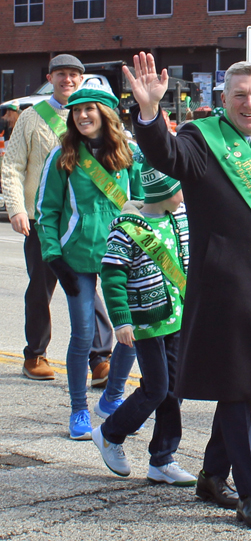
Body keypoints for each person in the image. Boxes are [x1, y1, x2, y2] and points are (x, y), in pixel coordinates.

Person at [126, 52, 251, 531]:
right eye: (239, 96)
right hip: (222, 287)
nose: (249, 104)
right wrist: (150, 115)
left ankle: (212, 475)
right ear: (222, 99)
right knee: (237, 387)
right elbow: (166, 156)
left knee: (241, 386)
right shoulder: (200, 138)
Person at [35, 84, 143, 439]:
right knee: (83, 334)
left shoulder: (129, 154)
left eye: (89, 110)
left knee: (130, 332)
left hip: (120, 256)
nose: (81, 116)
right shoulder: (62, 155)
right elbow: (46, 211)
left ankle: (112, 398)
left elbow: (142, 203)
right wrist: (54, 257)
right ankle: (78, 410)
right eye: (76, 111)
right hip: (76, 258)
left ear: (105, 114)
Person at [1, 54, 113, 384]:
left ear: (82, 79)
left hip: (82, 221)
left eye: (74, 75)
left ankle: (100, 358)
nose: (68, 80)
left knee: (87, 288)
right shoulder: (32, 117)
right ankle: (35, 354)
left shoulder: (94, 114)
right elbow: (13, 166)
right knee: (41, 288)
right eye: (61, 74)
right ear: (50, 78)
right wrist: (17, 208)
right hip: (43, 220)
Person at [93, 160, 196, 486]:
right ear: (164, 191)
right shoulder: (126, 227)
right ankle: (110, 433)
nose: (183, 195)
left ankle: (162, 459)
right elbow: (111, 276)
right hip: (146, 322)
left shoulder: (179, 217)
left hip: (177, 319)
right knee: (155, 389)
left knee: (174, 391)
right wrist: (121, 321)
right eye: (178, 189)